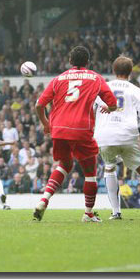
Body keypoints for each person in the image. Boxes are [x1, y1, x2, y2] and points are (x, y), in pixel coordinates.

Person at [33, 46, 117, 222]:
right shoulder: (95, 78)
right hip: (81, 129)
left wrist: (46, 124)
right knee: (90, 173)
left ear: (70, 61)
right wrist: (108, 108)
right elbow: (113, 103)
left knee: (65, 164)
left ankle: (44, 200)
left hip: (59, 129)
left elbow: (39, 105)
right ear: (87, 62)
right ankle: (88, 213)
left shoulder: (58, 79)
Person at [94, 56, 140, 220]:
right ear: (130, 72)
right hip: (126, 134)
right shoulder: (135, 90)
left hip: (105, 135)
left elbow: (90, 110)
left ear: (113, 71)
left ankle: (116, 212)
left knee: (109, 168)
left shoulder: (103, 88)